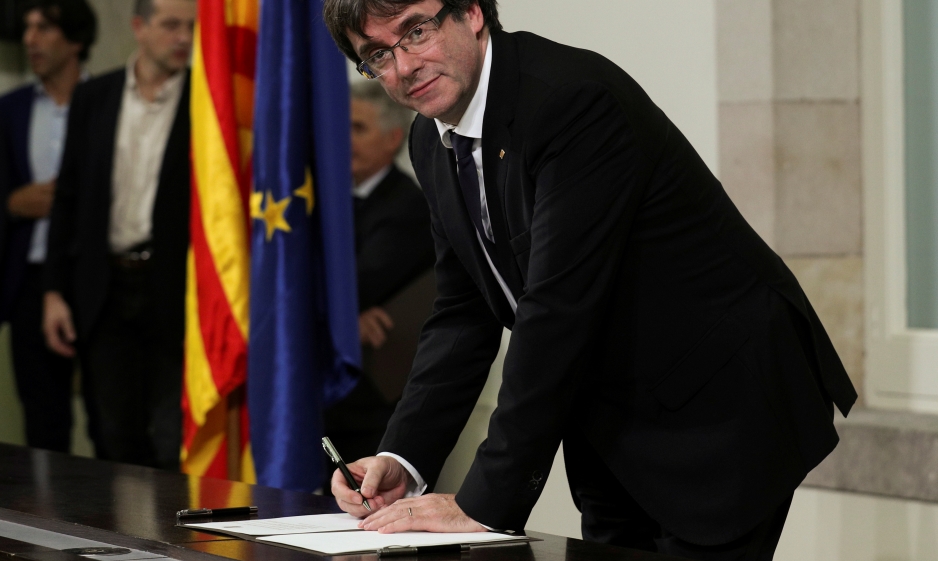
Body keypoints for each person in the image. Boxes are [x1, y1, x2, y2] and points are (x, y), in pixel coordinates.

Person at [323, 1, 858, 559]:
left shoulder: (571, 100)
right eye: (377, 54)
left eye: (416, 31)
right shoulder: (429, 140)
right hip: (610, 419)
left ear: (473, 12)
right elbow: (463, 311)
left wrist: (484, 502)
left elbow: (556, 309)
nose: (404, 65)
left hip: (719, 404)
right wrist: (403, 458)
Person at [42, 0, 195, 470]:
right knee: (112, 433)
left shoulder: (205, 102)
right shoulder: (95, 96)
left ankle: (171, 522)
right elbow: (67, 197)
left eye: (191, 27)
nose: (184, 38)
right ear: (139, 27)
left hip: (175, 289)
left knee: (172, 436)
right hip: (103, 286)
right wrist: (53, 291)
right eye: (171, 25)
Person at [0, 0, 96, 453]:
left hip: (98, 278)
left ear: (75, 40)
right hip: (29, 281)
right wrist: (11, 205)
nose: (30, 40)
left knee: (112, 420)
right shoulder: (10, 110)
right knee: (43, 423)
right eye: (27, 28)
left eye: (43, 28)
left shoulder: (107, 101)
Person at [324, 80, 435, 469]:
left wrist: (343, 312)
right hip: (331, 388)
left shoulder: (406, 206)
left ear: (392, 139)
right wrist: (347, 318)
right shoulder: (328, 196)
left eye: (358, 128)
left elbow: (357, 284)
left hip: (375, 396)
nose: (344, 139)